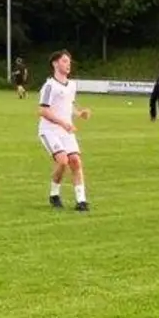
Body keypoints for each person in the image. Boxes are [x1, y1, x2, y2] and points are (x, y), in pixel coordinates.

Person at [37, 50, 92, 211]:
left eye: (69, 62)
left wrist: (80, 113)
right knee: (62, 161)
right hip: (49, 130)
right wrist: (63, 123)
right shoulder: (49, 85)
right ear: (55, 64)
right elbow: (43, 110)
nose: (68, 65)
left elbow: (69, 104)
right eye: (64, 61)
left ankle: (81, 200)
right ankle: (54, 194)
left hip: (66, 130)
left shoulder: (71, 85)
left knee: (75, 161)